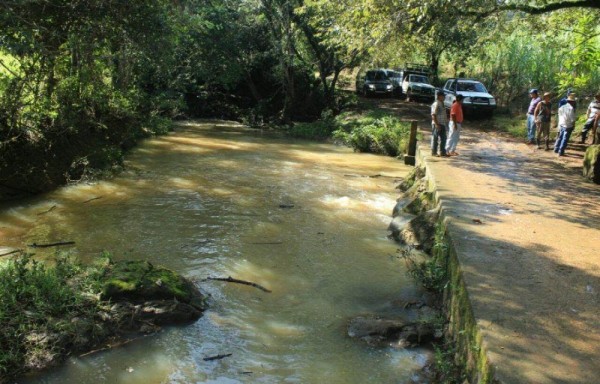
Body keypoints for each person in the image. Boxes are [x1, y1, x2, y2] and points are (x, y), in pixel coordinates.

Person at [431, 90, 448, 157]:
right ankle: (434, 152)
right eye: (443, 96)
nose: (444, 97)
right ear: (439, 96)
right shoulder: (436, 104)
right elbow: (433, 115)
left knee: (444, 138)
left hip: (442, 123)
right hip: (437, 124)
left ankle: (442, 152)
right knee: (435, 138)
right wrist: (437, 124)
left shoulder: (442, 103)